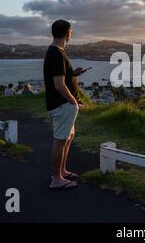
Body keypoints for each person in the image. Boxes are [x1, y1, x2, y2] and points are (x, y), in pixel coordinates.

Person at [43, 19, 86, 190]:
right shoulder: (57, 54)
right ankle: (57, 179)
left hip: (64, 104)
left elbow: (62, 78)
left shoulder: (56, 52)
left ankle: (62, 171)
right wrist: (73, 101)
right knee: (60, 140)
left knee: (68, 138)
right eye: (71, 31)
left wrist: (73, 74)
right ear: (68, 33)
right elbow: (59, 85)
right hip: (63, 104)